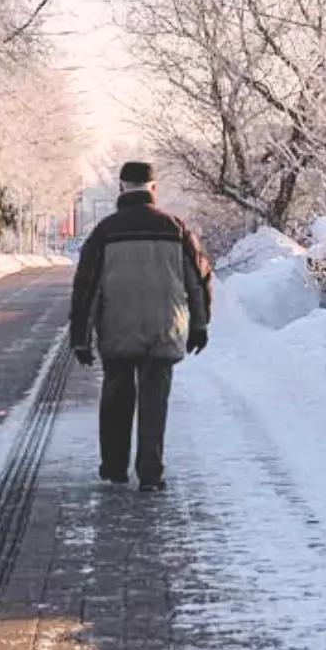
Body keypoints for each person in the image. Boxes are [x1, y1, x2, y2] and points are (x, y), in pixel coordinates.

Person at [69, 161, 214, 492]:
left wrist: (81, 338)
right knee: (154, 404)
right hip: (164, 331)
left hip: (117, 331)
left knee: (116, 399)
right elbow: (199, 281)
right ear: (154, 189)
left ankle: (115, 467)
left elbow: (86, 288)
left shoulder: (105, 232)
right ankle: (151, 474)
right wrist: (199, 326)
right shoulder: (176, 229)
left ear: (121, 188)